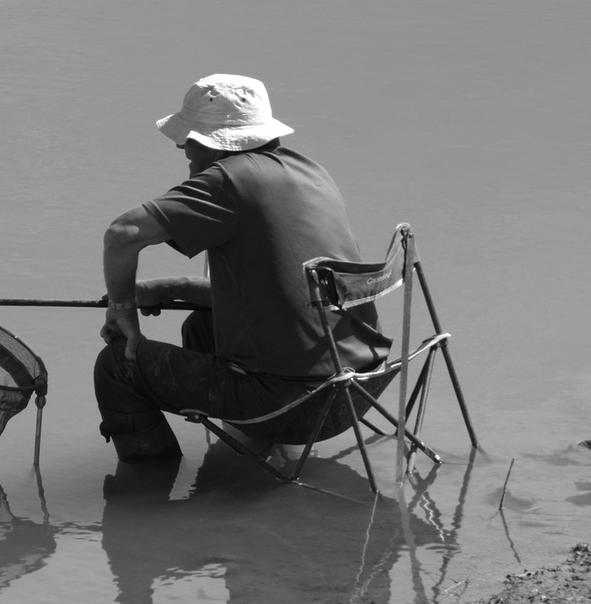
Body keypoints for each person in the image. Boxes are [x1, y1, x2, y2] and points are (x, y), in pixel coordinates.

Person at [96, 74, 388, 461]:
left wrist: (122, 309)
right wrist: (173, 287)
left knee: (118, 364)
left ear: (210, 145)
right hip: (356, 392)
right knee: (201, 325)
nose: (185, 153)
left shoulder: (228, 180)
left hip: (291, 405)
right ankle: (242, 460)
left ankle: (145, 495)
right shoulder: (311, 172)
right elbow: (282, 295)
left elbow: (121, 234)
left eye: (188, 145)